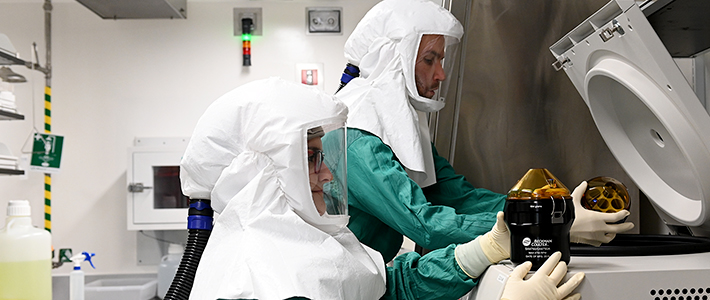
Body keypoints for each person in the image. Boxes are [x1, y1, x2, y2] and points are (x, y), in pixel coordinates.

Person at [177, 77, 584, 300]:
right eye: (311, 158)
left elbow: (387, 287)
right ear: (263, 172)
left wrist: (481, 251)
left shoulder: (306, 243)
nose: (327, 176)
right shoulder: (261, 279)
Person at [334, 0, 635, 266]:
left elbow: (460, 197)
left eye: (441, 59)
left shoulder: (398, 128)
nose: (441, 74)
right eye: (430, 60)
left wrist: (555, 206)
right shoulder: (358, 136)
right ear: (392, 59)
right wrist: (550, 224)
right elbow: (426, 225)